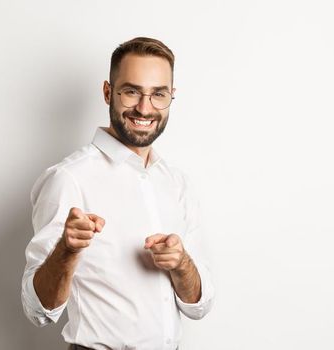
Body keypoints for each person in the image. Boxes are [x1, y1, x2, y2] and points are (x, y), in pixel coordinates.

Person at [20, 37, 215, 350]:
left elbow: (198, 305)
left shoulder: (175, 182)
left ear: (171, 97)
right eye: (132, 91)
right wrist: (66, 250)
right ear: (109, 92)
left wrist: (182, 265)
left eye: (158, 94)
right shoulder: (68, 178)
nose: (144, 107)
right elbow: (37, 310)